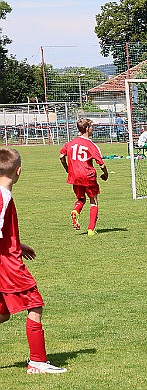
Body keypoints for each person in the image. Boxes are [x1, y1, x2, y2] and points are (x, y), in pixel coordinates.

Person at [0, 148, 67, 374]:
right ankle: (37, 361)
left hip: (7, 257)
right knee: (34, 304)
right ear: (19, 171)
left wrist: (18, 244)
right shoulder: (3, 197)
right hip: (7, 265)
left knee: (3, 314)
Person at [60, 118, 108, 236]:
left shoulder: (70, 143)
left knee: (81, 198)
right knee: (93, 201)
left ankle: (76, 211)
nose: (92, 129)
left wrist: (67, 169)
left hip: (75, 176)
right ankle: (91, 229)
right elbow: (101, 164)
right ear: (87, 128)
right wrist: (105, 174)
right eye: (91, 127)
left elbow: (61, 156)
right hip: (88, 175)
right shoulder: (91, 145)